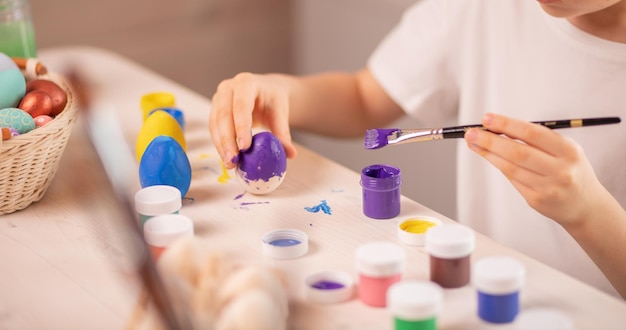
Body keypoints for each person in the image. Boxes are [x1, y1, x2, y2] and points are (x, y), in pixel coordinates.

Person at [209, 0, 626, 299]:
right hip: (474, 300)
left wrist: (590, 213)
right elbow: (362, 97)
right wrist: (280, 92)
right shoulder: (482, 8)